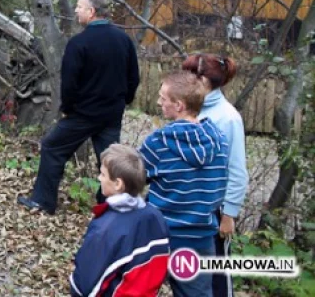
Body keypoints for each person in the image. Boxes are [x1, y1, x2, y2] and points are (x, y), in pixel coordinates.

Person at [18, 0, 140, 215]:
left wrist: (68, 109)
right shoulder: (124, 40)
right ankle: (108, 210)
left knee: (53, 147)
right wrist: (123, 102)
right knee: (110, 162)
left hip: (82, 115)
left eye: (80, 6)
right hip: (111, 114)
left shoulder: (79, 43)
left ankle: (44, 202)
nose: (75, 10)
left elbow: (69, 84)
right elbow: (134, 78)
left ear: (92, 11)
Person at [140, 71, 228, 297]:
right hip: (201, 239)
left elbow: (134, 179)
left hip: (158, 237)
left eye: (163, 98)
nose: (159, 102)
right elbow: (220, 189)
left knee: (134, 290)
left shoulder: (159, 142)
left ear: (178, 105)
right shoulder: (219, 141)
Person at [182, 54, 246, 297]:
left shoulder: (227, 117)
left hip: (215, 211)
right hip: (189, 208)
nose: (184, 80)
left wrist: (229, 214)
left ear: (204, 80)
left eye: (189, 75)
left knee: (217, 275)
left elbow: (237, 170)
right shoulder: (189, 108)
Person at [69, 144, 170, 297]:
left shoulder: (106, 228)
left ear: (118, 183)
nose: (99, 178)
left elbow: (84, 284)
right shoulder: (155, 216)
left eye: (103, 174)